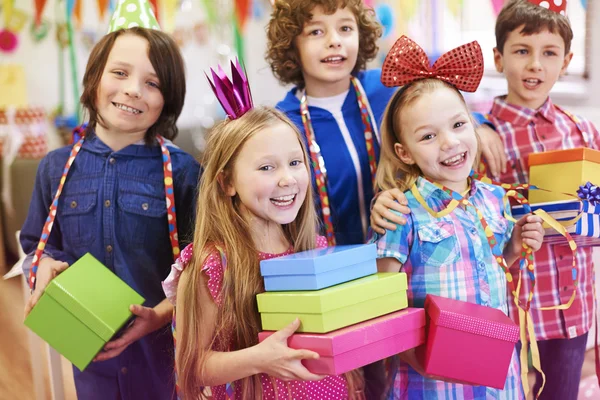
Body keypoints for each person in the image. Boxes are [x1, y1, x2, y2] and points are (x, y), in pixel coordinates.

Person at [20, 3, 200, 398]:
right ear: (94, 78)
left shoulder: (183, 173)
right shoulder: (54, 168)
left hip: (164, 360)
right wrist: (44, 263)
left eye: (153, 83)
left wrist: (160, 316)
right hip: (88, 358)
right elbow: (36, 243)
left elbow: (203, 264)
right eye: (120, 73)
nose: (134, 89)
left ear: (168, 98)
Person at [162, 62, 364, 400]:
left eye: (295, 163)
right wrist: (258, 359)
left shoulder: (315, 247)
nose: (287, 179)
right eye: (267, 167)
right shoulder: (212, 266)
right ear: (227, 182)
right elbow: (192, 367)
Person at [372, 35, 544, 399]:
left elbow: (490, 268)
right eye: (429, 136)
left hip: (497, 378)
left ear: (473, 123)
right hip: (432, 383)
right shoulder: (402, 211)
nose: (449, 143)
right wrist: (420, 359)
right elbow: (382, 305)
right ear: (405, 153)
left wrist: (512, 249)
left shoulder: (495, 198)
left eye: (458, 125)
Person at [483, 1, 600, 398]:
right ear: (499, 58)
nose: (535, 65)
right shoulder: (479, 134)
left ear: (566, 62)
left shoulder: (582, 131)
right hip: (511, 306)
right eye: (522, 51)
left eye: (549, 54)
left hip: (572, 304)